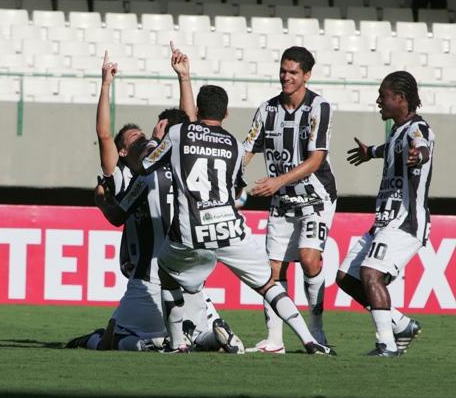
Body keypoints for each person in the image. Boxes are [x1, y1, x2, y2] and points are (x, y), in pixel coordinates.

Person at [134, 45, 335, 356]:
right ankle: (310, 341)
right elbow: (232, 175)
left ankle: (178, 345)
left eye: (292, 71)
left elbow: (151, 161)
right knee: (269, 283)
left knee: (166, 275)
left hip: (191, 232)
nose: (285, 76)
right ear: (226, 115)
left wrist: (156, 138)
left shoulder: (177, 134)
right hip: (230, 229)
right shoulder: (233, 145)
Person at [65, 51, 244, 353]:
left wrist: (184, 77)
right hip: (178, 276)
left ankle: (151, 343)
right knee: (195, 335)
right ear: (123, 153)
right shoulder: (125, 175)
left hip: (150, 282)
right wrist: (106, 84)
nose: (141, 139)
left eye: (144, 135)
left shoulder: (167, 163)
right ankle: (211, 335)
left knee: (111, 341)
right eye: (133, 140)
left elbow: (188, 127)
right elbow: (105, 134)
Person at [242, 46, 336, 354]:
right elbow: (247, 149)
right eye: (283, 70)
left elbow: (316, 159)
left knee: (309, 260)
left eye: (293, 72)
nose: (286, 76)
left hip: (316, 198)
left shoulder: (318, 107)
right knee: (272, 271)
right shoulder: (267, 110)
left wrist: (277, 181)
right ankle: (274, 339)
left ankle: (317, 329)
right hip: (282, 203)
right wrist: (228, 173)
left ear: (307, 75)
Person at [338, 71, 431, 357]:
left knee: (371, 273)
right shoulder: (396, 131)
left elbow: (422, 145)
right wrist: (371, 152)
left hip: (405, 222)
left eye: (383, 95)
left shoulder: (418, 128)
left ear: (400, 99)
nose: (378, 101)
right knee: (346, 278)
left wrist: (420, 155)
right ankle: (401, 324)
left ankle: (386, 344)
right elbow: (391, 148)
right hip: (384, 221)